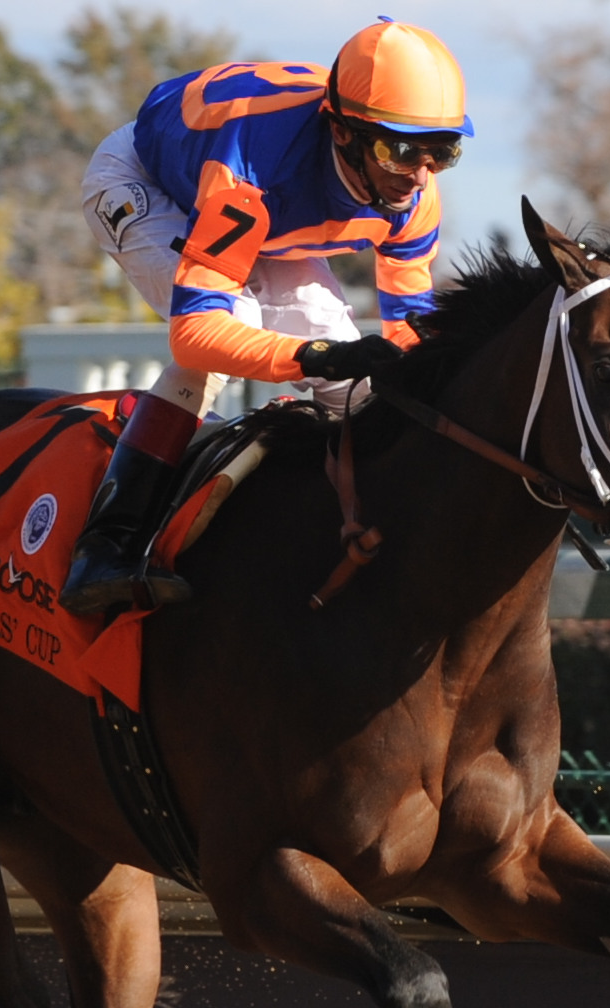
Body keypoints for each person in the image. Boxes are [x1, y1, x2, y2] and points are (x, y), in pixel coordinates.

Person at [62, 18, 472, 615]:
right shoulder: (253, 167)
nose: (420, 175)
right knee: (238, 322)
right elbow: (196, 335)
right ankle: (107, 544)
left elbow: (408, 331)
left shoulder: (416, 190)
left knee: (358, 391)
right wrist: (315, 356)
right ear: (343, 132)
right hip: (149, 183)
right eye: (401, 150)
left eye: (443, 151)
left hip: (265, 218)